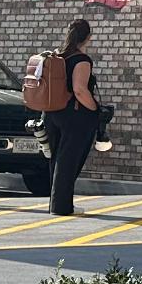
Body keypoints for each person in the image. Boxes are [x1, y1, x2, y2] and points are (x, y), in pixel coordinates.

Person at [47, 18, 100, 217]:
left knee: (57, 159)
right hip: (74, 115)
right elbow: (79, 89)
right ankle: (62, 207)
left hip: (52, 112)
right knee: (69, 161)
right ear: (87, 37)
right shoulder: (81, 60)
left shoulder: (57, 56)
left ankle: (56, 203)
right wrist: (95, 109)